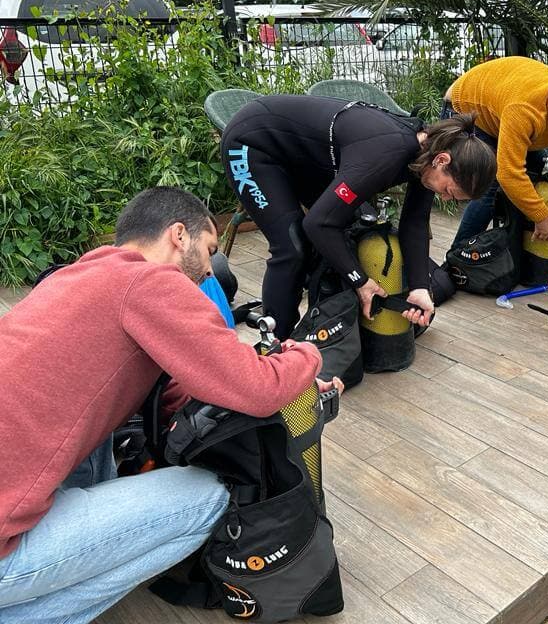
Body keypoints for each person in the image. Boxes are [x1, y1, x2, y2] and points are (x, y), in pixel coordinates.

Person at [0, 187, 329, 623]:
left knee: (94, 421)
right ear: (179, 235)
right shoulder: (152, 282)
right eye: (210, 250)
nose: (210, 270)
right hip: (6, 550)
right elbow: (257, 389)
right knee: (211, 494)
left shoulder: (79, 275)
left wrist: (279, 376)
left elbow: (173, 386)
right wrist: (308, 355)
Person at [220, 96, 496, 338]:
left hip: (303, 157)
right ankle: (275, 343)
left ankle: (322, 324)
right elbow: (318, 224)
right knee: (293, 247)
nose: (445, 198)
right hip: (254, 144)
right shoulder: (387, 155)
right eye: (449, 191)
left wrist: (420, 287)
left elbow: (415, 224)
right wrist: (361, 282)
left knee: (352, 230)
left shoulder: (426, 154)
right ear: (443, 160)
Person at [442, 56, 548, 265]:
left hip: (503, 110)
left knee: (543, 173)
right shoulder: (525, 109)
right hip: (468, 110)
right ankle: (457, 259)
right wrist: (540, 215)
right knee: (489, 185)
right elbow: (509, 174)